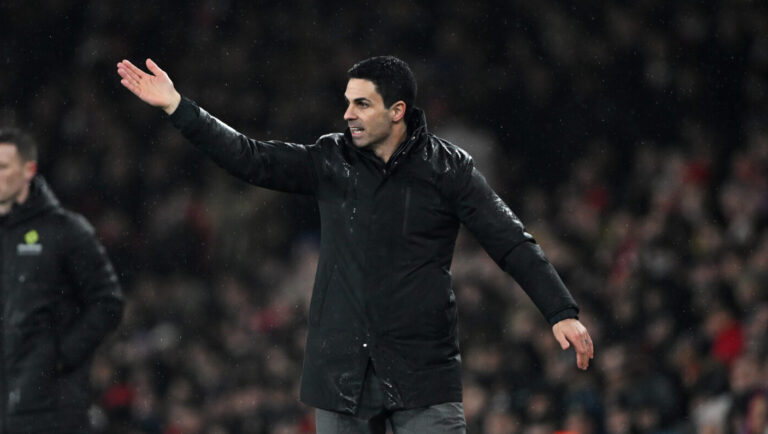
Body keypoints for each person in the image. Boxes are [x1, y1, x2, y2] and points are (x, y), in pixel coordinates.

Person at [117, 55, 594, 433]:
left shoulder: (449, 169)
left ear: (397, 111)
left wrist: (560, 310)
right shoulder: (331, 159)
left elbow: (510, 240)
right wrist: (179, 107)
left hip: (422, 373)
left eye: (362, 104)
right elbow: (251, 158)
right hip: (341, 376)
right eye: (347, 102)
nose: (347, 114)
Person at [0, 128, 124, 433]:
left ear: (28, 170)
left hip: (51, 409)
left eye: (3, 166)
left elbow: (107, 302)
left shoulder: (66, 231)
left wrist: (59, 357)